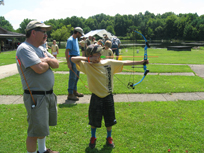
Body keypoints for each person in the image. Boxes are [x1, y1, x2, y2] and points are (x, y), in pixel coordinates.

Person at [71, 44, 149, 149]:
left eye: (100, 52)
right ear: (91, 55)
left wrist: (141, 62)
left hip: (108, 96)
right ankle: (93, 137)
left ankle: (109, 137)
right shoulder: (87, 65)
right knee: (94, 120)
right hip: (96, 96)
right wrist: (89, 59)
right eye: (97, 53)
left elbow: (124, 62)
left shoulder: (108, 62)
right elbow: (73, 59)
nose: (100, 54)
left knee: (109, 119)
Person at [16, 20, 59, 153]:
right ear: (33, 32)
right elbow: (39, 68)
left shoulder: (40, 48)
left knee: (42, 127)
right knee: (34, 131)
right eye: (43, 32)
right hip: (35, 96)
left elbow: (56, 63)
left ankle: (42, 150)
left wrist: (45, 59)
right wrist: (47, 61)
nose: (46, 35)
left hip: (47, 95)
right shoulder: (24, 48)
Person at [65, 27, 84, 101]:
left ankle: (74, 91)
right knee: (72, 77)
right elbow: (67, 52)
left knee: (77, 76)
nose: (81, 35)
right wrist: (68, 63)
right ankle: (70, 94)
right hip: (72, 60)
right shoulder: (70, 40)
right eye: (80, 34)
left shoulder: (76, 39)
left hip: (77, 60)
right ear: (77, 33)